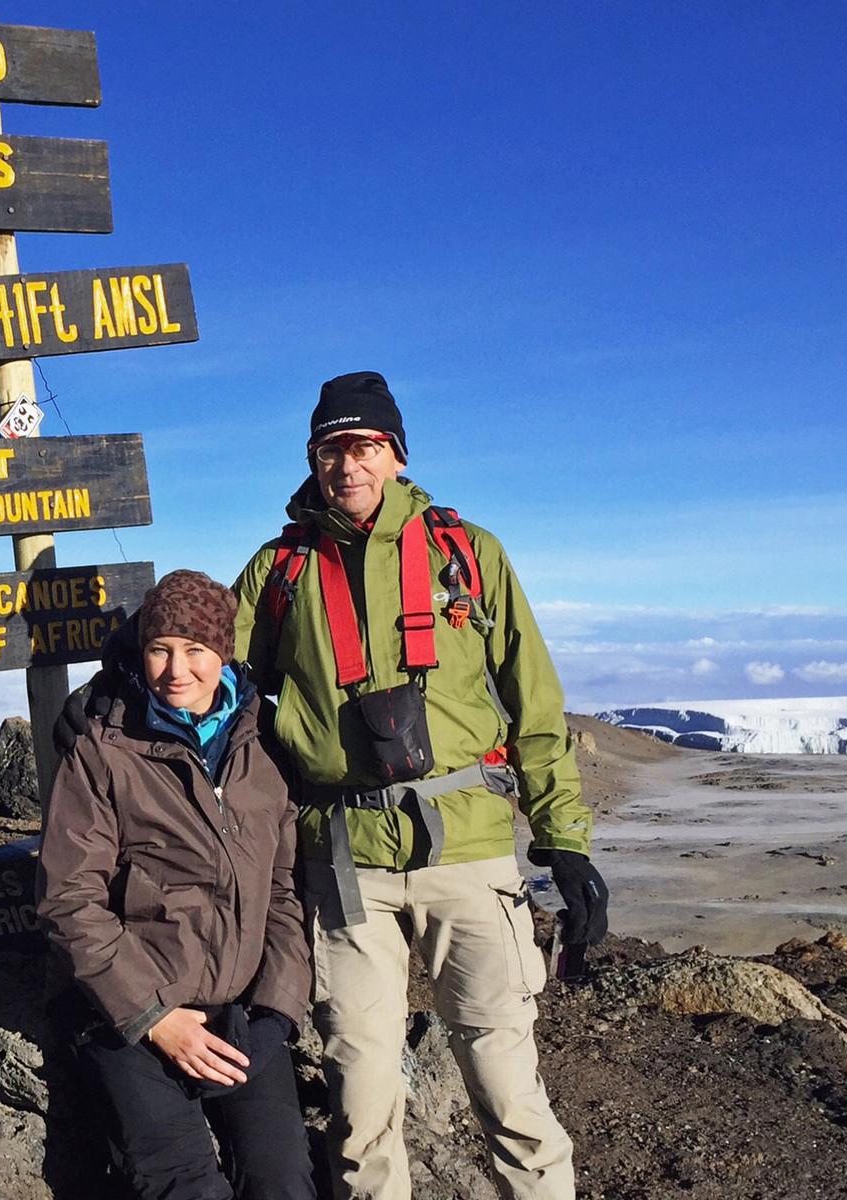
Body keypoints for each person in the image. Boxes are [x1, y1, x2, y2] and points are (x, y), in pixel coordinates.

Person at [228, 370, 609, 1200]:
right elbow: (211, 680)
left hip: (469, 852)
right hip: (345, 862)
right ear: (314, 460)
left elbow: (534, 704)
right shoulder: (279, 571)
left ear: (397, 455)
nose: (348, 464)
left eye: (365, 446)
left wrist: (565, 844)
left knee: (507, 1083)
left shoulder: (467, 553)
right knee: (361, 1102)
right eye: (332, 448)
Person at [37, 569, 317, 1200]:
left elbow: (281, 890)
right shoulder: (104, 751)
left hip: (241, 1014)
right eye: (160, 648)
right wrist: (155, 1016)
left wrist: (276, 1013)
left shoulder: (261, 748)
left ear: (224, 653)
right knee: (184, 1185)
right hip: (127, 1016)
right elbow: (68, 900)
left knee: (283, 1182)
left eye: (196, 650)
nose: (176, 669)